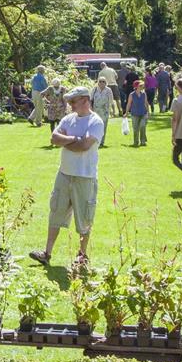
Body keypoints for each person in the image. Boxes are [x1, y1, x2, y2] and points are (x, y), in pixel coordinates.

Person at [30, 87, 104, 267]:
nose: (69, 105)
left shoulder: (96, 122)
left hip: (84, 177)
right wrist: (74, 139)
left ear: (85, 100)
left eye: (73, 101)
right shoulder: (68, 118)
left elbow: (85, 145)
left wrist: (66, 140)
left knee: (84, 218)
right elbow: (54, 138)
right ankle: (46, 254)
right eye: (69, 101)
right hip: (64, 174)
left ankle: (82, 256)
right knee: (56, 213)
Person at [91, 77, 115, 148]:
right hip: (95, 111)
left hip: (105, 111)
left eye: (103, 81)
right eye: (100, 81)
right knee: (95, 126)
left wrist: (113, 111)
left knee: (103, 127)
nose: (102, 83)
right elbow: (90, 100)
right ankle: (95, 141)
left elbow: (111, 101)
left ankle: (101, 142)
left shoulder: (108, 90)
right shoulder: (94, 89)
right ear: (98, 82)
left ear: (106, 83)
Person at [125, 80, 149, 147]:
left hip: (143, 113)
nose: (142, 87)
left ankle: (143, 141)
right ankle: (136, 142)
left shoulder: (144, 94)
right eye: (140, 85)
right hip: (134, 114)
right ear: (136, 87)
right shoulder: (131, 95)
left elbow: (146, 103)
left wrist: (148, 112)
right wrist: (126, 113)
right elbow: (129, 104)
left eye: (142, 85)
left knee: (142, 126)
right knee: (135, 129)